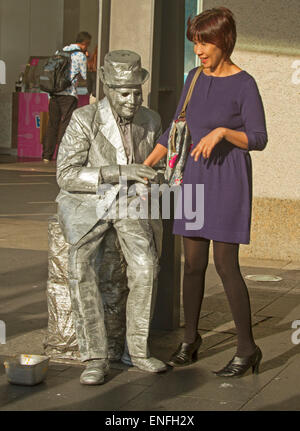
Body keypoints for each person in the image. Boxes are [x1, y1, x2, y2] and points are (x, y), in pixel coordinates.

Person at [143, 7, 268, 378]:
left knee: (226, 267)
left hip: (228, 183)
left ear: (224, 40)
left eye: (205, 42)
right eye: (195, 43)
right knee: (192, 265)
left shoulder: (245, 84)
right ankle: (190, 340)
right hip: (193, 182)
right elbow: (175, 129)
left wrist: (223, 133)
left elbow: (258, 138)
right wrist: (145, 164)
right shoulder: (194, 78)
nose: (199, 50)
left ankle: (247, 349)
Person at [55, 50, 167, 385]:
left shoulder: (151, 120)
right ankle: (95, 357)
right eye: (124, 92)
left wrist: (157, 177)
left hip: (131, 202)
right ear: (107, 89)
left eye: (137, 91)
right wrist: (118, 171)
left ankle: (137, 351)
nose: (133, 99)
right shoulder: (83, 119)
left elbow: (159, 167)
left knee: (147, 266)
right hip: (90, 202)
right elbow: (66, 174)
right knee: (79, 265)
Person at [42, 31, 91, 162]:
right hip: (69, 95)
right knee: (66, 125)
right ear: (85, 44)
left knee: (52, 124)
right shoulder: (80, 56)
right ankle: (60, 155)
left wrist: (49, 95)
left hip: (54, 93)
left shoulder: (60, 52)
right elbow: (85, 76)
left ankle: (46, 156)